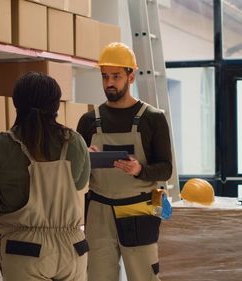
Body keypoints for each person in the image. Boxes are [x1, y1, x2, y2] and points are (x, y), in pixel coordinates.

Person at [0, 71, 91, 281]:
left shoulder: (0, 145)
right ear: (56, 105)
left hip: (25, 250)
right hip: (73, 249)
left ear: (16, 104)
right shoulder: (75, 141)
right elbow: (79, 183)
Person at [76, 42, 173, 281]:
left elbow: (166, 169)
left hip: (139, 208)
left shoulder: (153, 118)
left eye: (116, 76)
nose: (109, 83)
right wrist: (84, 159)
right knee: (97, 276)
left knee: (144, 277)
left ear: (131, 76)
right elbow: (76, 176)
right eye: (105, 76)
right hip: (99, 210)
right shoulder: (88, 121)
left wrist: (140, 169)